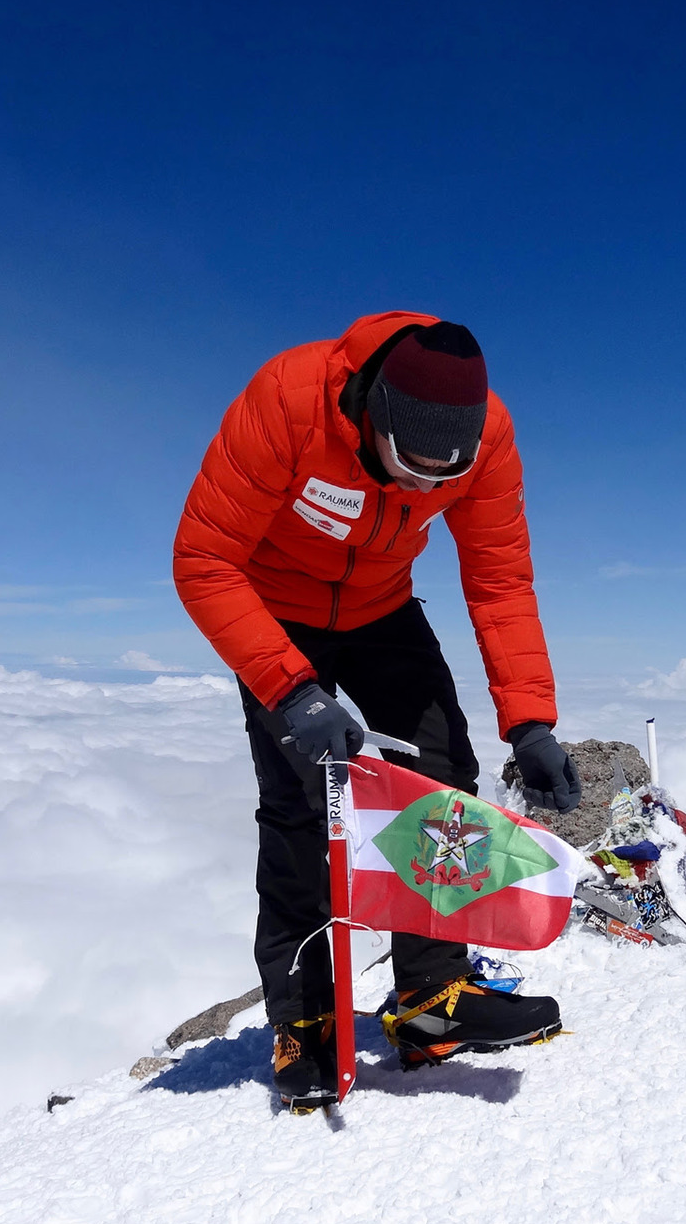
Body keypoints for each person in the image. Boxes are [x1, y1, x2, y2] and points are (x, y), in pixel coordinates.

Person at [174, 313, 583, 1108]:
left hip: (383, 608)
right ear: (373, 416)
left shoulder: (489, 436)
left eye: (443, 479)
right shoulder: (289, 401)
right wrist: (291, 688)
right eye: (411, 470)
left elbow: (499, 580)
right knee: (302, 806)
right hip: (275, 611)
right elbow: (204, 557)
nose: (424, 492)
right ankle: (307, 1021)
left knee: (442, 778)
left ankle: (432, 997)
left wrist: (530, 718)